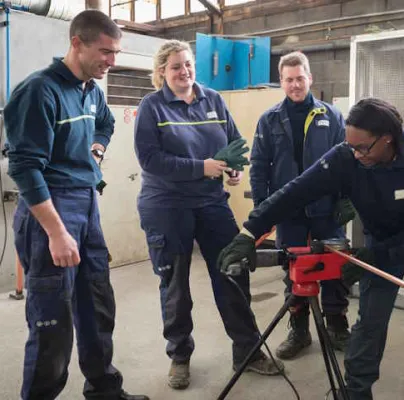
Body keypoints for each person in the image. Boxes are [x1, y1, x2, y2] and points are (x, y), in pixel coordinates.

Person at [218, 98, 404, 400]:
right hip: (380, 241)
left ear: (387, 138)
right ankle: (356, 393)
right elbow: (296, 191)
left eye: (363, 148)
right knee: (370, 322)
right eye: (351, 146)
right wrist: (250, 232)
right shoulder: (346, 156)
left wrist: (380, 255)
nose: (356, 155)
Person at [4, 10, 148, 400]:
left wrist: (96, 150)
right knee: (52, 321)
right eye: (105, 51)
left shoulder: (91, 91)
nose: (111, 61)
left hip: (86, 204)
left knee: (97, 306)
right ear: (76, 43)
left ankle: (104, 389)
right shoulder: (40, 91)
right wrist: (56, 232)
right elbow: (24, 168)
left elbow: (105, 124)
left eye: (116, 53)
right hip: (51, 209)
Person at [133, 40, 284, 390]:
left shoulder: (213, 100)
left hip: (212, 202)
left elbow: (233, 144)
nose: (184, 71)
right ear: (162, 72)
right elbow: (150, 159)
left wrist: (234, 168)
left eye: (188, 64)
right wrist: (201, 167)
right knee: (175, 283)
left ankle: (247, 351)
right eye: (175, 67)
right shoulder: (152, 106)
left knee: (233, 270)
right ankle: (179, 356)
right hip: (167, 205)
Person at [250, 51, 354, 359]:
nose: (295, 85)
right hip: (289, 211)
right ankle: (299, 330)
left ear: (310, 78)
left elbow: (346, 161)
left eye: (300, 78)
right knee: (293, 268)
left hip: (327, 209)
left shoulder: (331, 116)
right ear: (281, 82)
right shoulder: (269, 120)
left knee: (334, 267)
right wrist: (263, 209)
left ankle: (337, 326)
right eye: (289, 80)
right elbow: (259, 166)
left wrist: (346, 199)